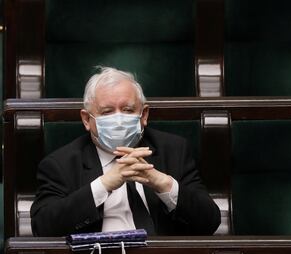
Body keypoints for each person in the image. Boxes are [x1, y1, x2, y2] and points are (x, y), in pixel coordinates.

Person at [31, 67, 221, 236]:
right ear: (86, 120)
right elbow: (43, 227)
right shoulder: (61, 164)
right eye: (107, 112)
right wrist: (102, 186)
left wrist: (163, 184)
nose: (119, 119)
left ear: (144, 115)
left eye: (128, 110)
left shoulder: (173, 150)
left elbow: (209, 222)